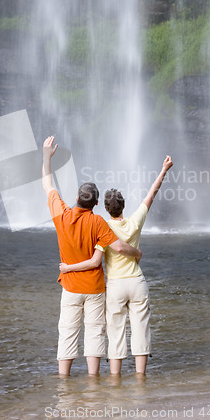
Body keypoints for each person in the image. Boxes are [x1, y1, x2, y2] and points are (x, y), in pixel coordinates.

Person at [60, 155, 173, 377]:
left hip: (115, 286)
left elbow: (94, 257)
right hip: (137, 282)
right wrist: (164, 170)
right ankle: (140, 377)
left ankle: (115, 379)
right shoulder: (135, 221)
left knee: (115, 332)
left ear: (104, 207)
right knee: (141, 329)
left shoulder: (102, 228)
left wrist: (67, 268)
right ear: (124, 206)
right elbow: (152, 193)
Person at [42, 136, 143, 377]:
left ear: (77, 198)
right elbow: (119, 248)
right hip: (95, 288)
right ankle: (92, 381)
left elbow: (47, 184)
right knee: (95, 332)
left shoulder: (62, 216)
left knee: (67, 331)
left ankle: (64, 381)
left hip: (70, 287)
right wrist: (137, 252)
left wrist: (46, 157)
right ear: (96, 203)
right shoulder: (98, 222)